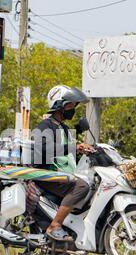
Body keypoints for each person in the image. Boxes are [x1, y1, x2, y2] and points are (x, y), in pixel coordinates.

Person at [33, 85, 95, 241]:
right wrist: (74, 147)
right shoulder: (45, 126)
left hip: (63, 174)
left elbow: (68, 150)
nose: (72, 109)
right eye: (69, 105)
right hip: (46, 174)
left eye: (74, 105)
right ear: (58, 106)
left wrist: (86, 149)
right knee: (82, 186)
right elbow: (46, 150)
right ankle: (55, 225)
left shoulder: (65, 128)